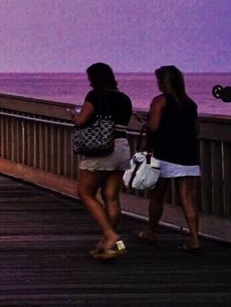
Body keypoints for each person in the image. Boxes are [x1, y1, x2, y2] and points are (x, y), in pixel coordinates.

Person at [71, 62, 133, 261]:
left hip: (101, 149)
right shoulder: (124, 98)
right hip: (122, 146)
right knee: (111, 196)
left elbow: (82, 121)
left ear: (94, 79)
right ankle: (106, 244)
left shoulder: (95, 96)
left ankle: (112, 236)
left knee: (85, 192)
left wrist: (73, 116)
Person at [137, 66, 202, 252]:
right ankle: (195, 238)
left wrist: (146, 122)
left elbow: (155, 127)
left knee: (158, 195)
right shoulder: (190, 103)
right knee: (187, 197)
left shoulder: (160, 101)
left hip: (165, 153)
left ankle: (151, 231)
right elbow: (196, 130)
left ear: (163, 82)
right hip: (188, 154)